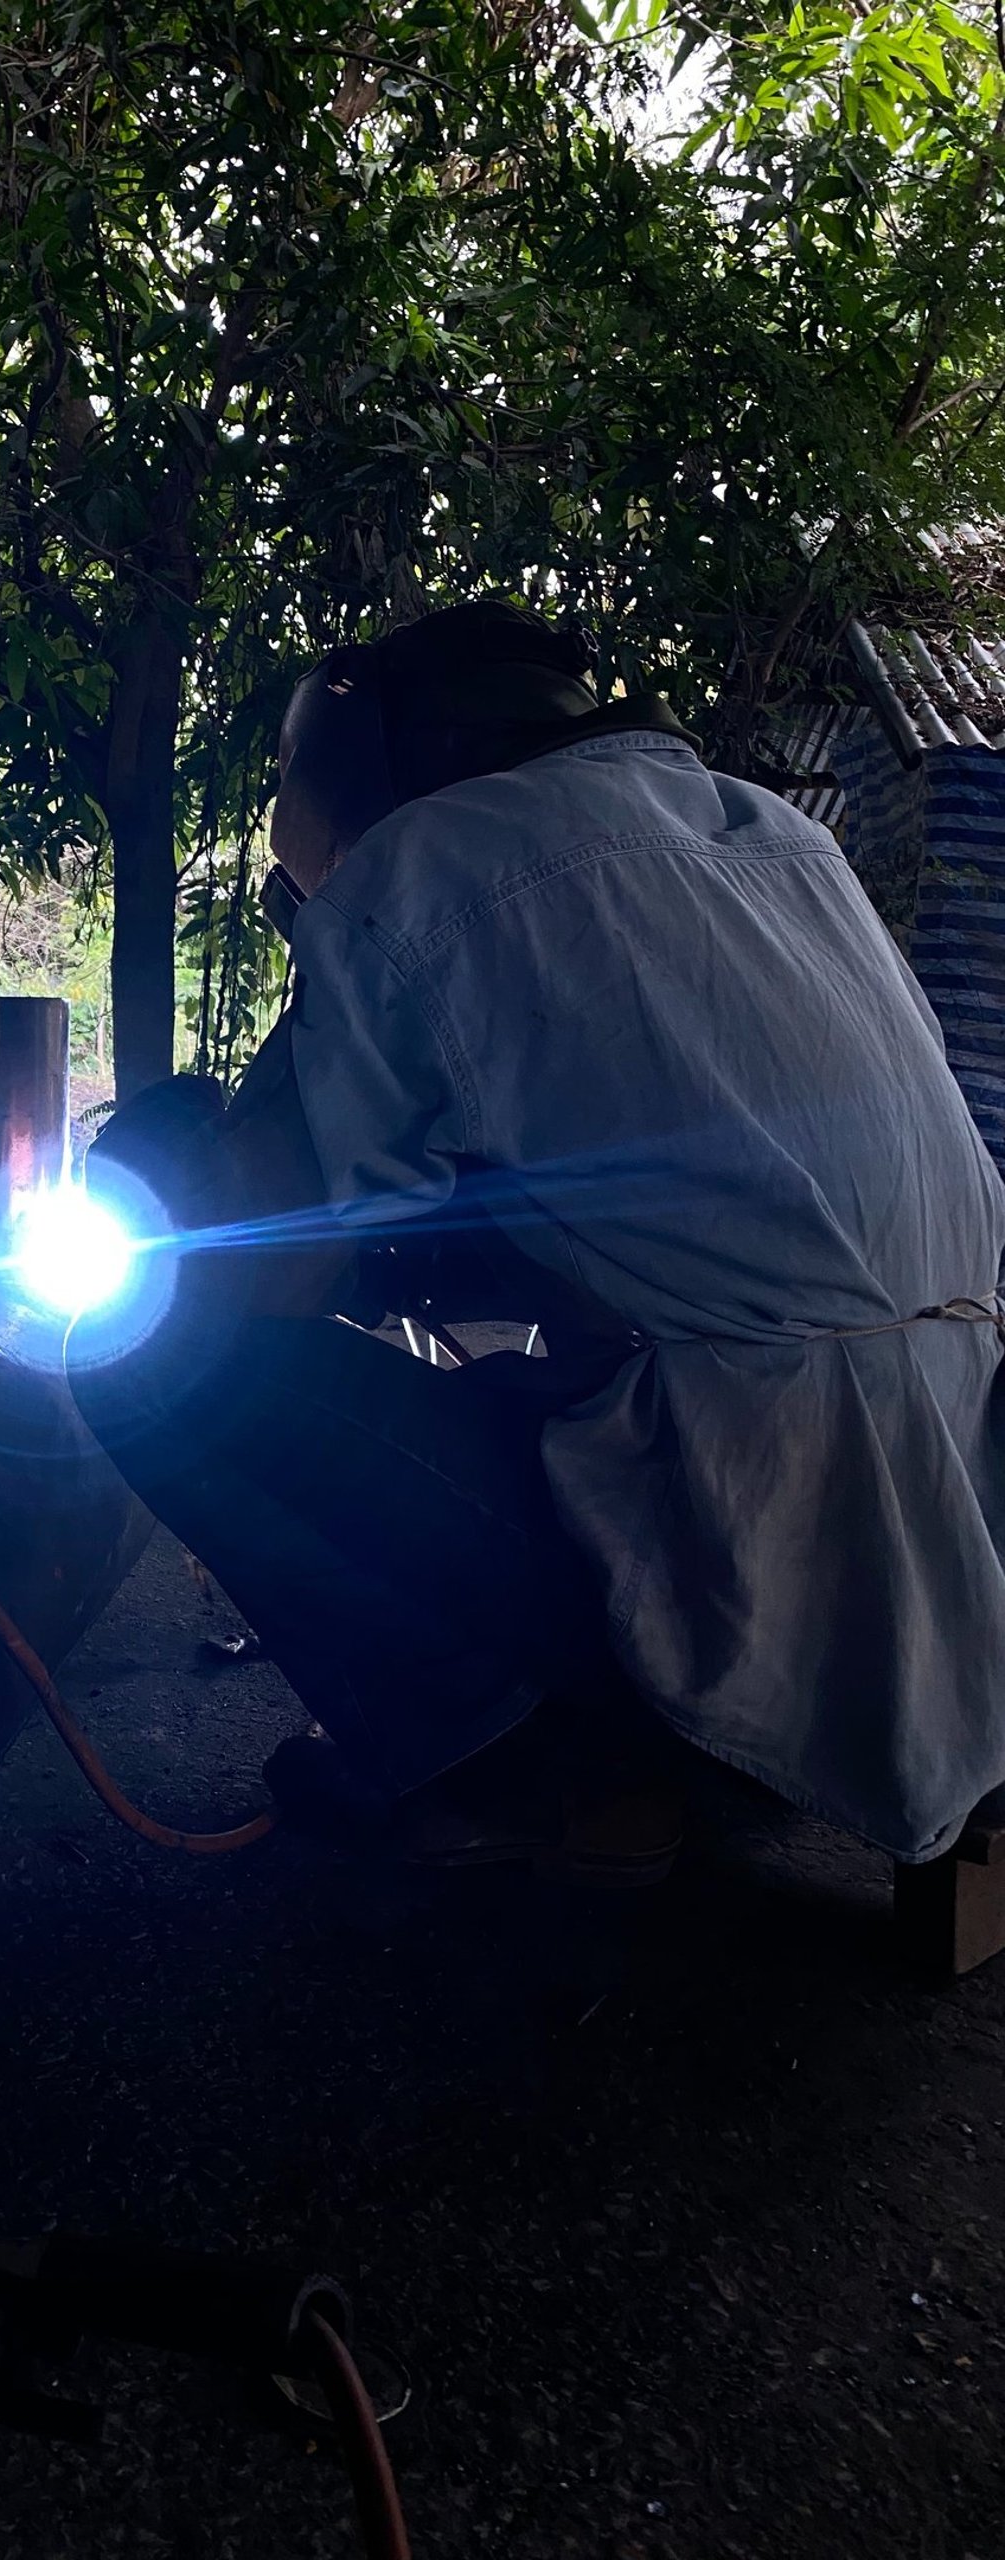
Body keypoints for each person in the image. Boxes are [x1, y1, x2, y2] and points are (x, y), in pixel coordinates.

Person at [74, 600, 1005, 1878]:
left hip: (750, 1539)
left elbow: (266, 1278)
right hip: (963, 1522)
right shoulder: (778, 835)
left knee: (147, 1361)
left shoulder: (418, 873)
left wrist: (175, 1167)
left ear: (363, 788)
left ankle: (510, 1765)